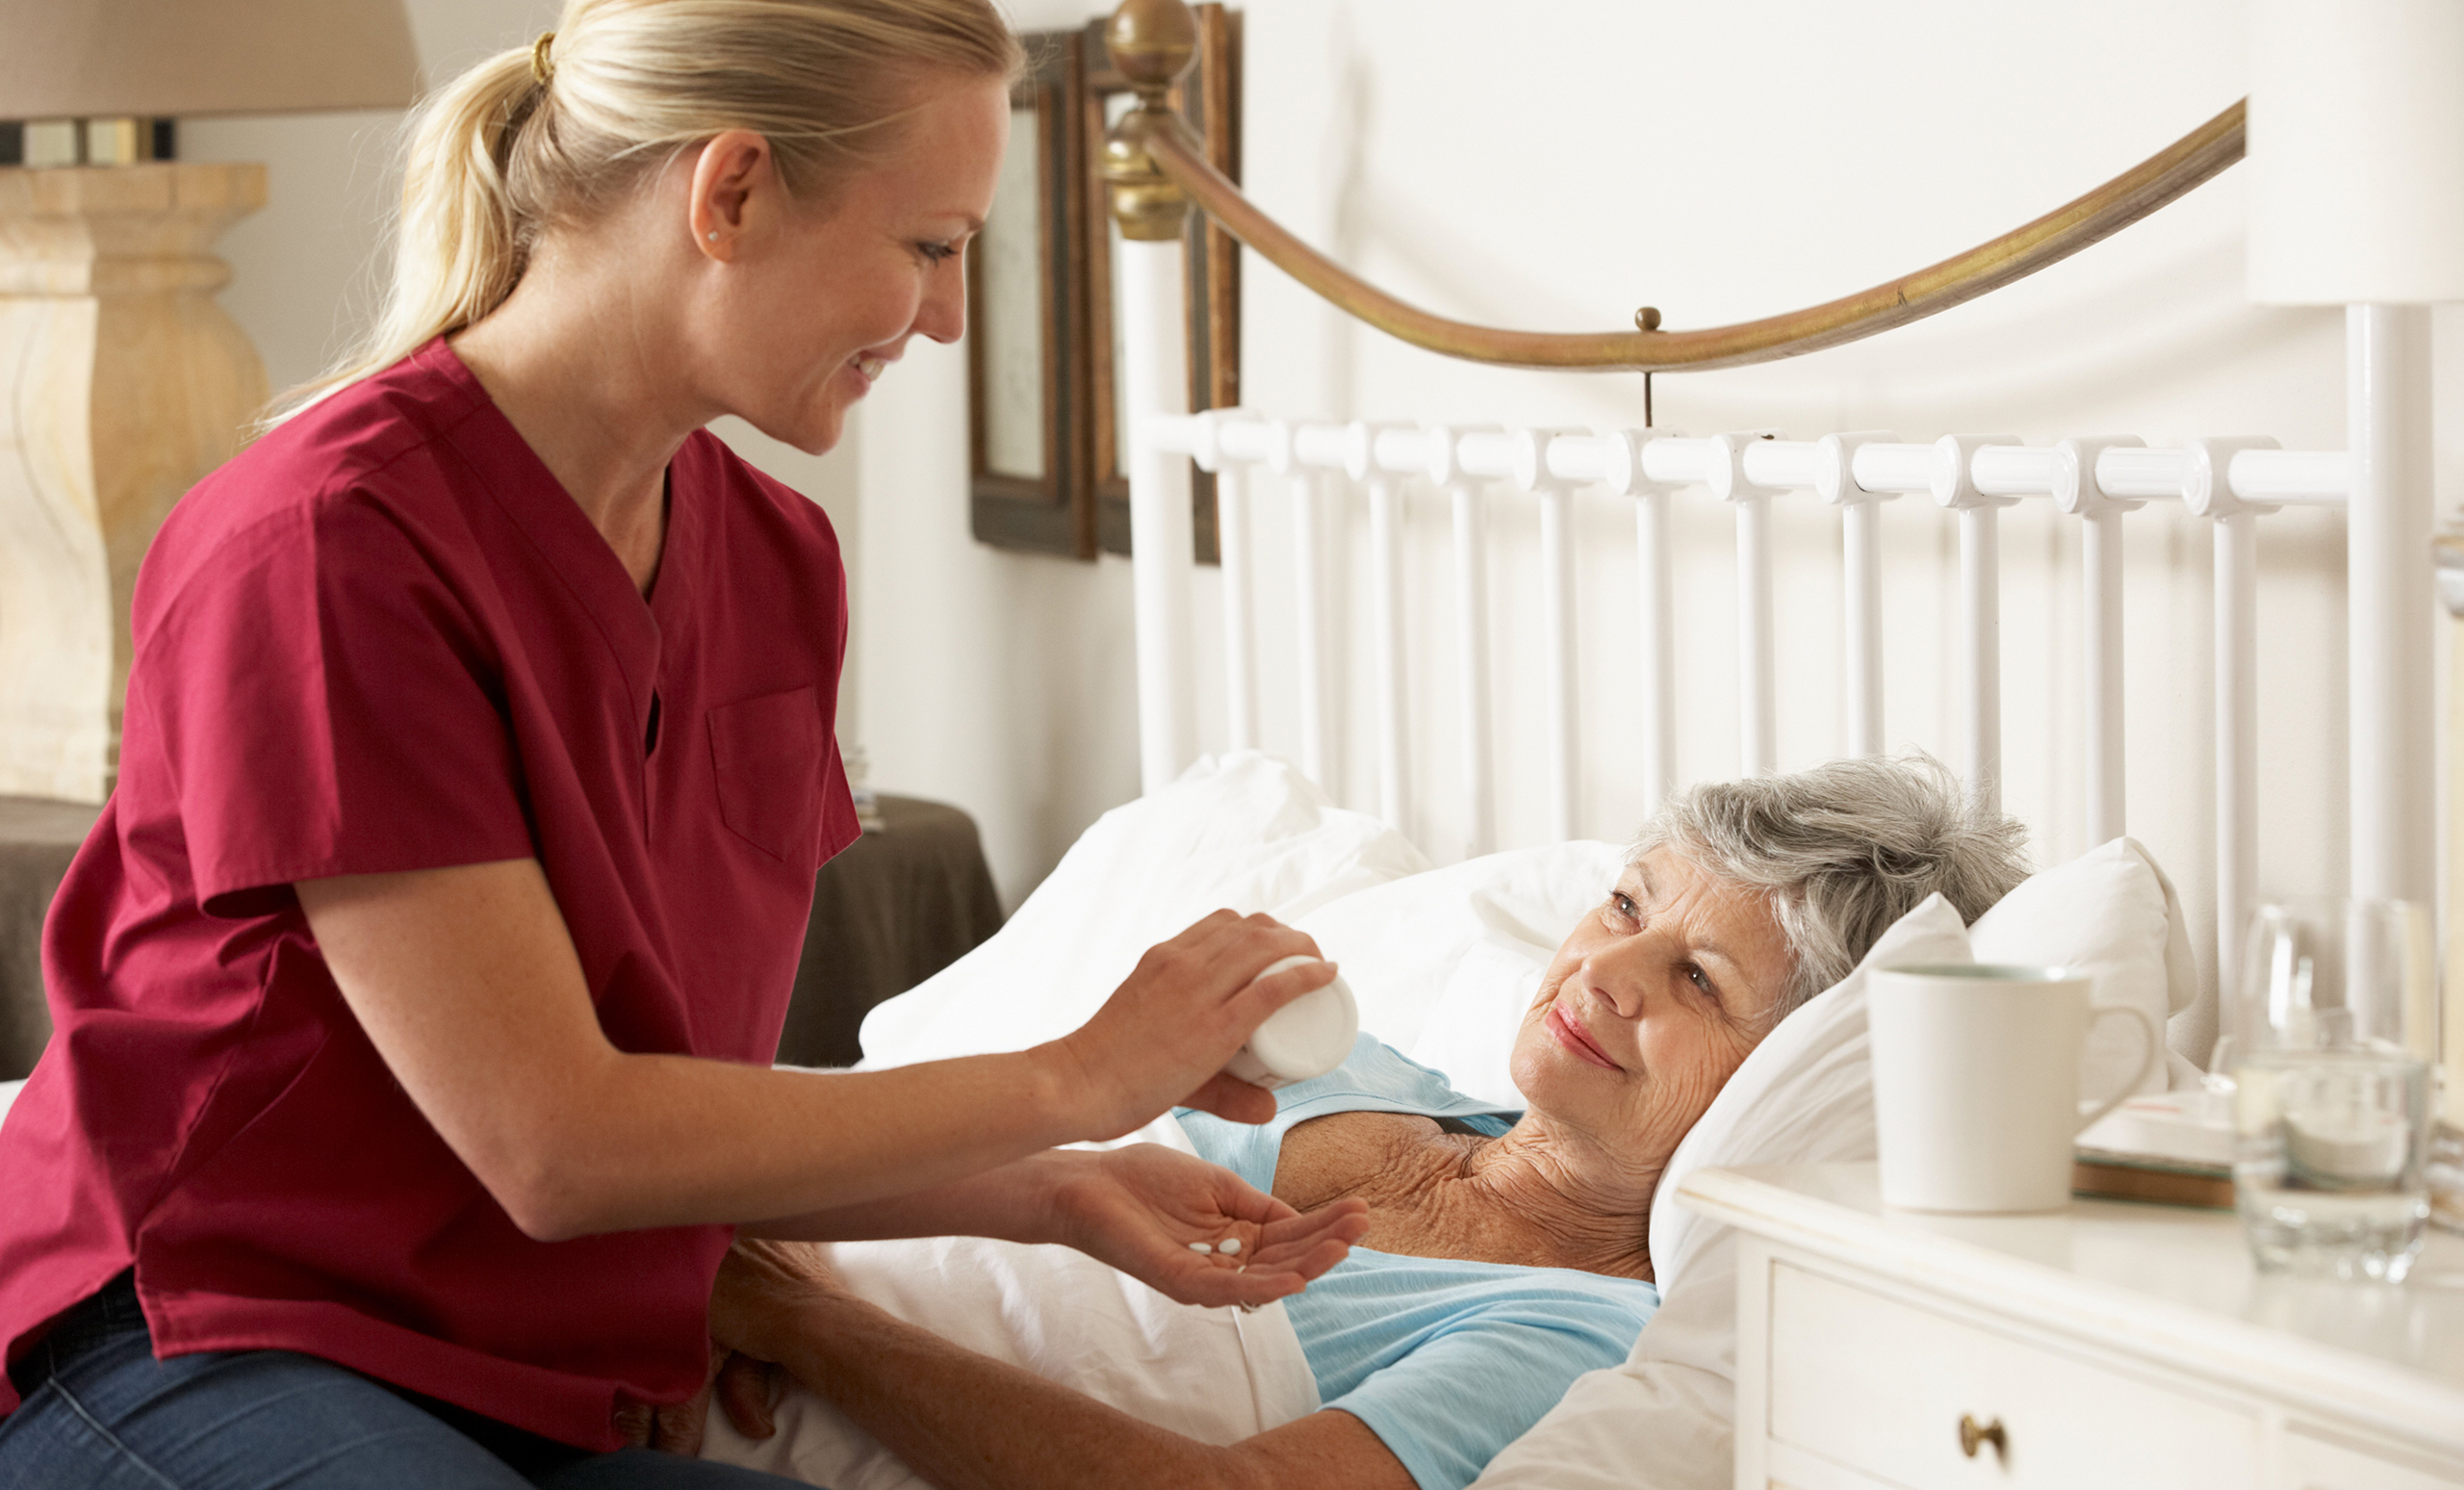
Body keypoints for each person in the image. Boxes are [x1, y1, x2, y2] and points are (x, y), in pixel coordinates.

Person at [0, 5, 1368, 1487]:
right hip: (205, 1339)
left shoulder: (776, 564)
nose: (950, 319)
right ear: (728, 193)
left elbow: (683, 1097)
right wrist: (1075, 1075)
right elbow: (557, 1141)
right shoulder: (332, 546)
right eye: (930, 246)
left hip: (534, 1378)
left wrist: (1048, 1190)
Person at [689, 757, 2035, 1490]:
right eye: (1627, 907)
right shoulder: (1332, 1067)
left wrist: (795, 1320)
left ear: (1786, 1077)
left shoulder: (1587, 1334)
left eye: (1700, 981)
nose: (1606, 974)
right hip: (674, 1276)